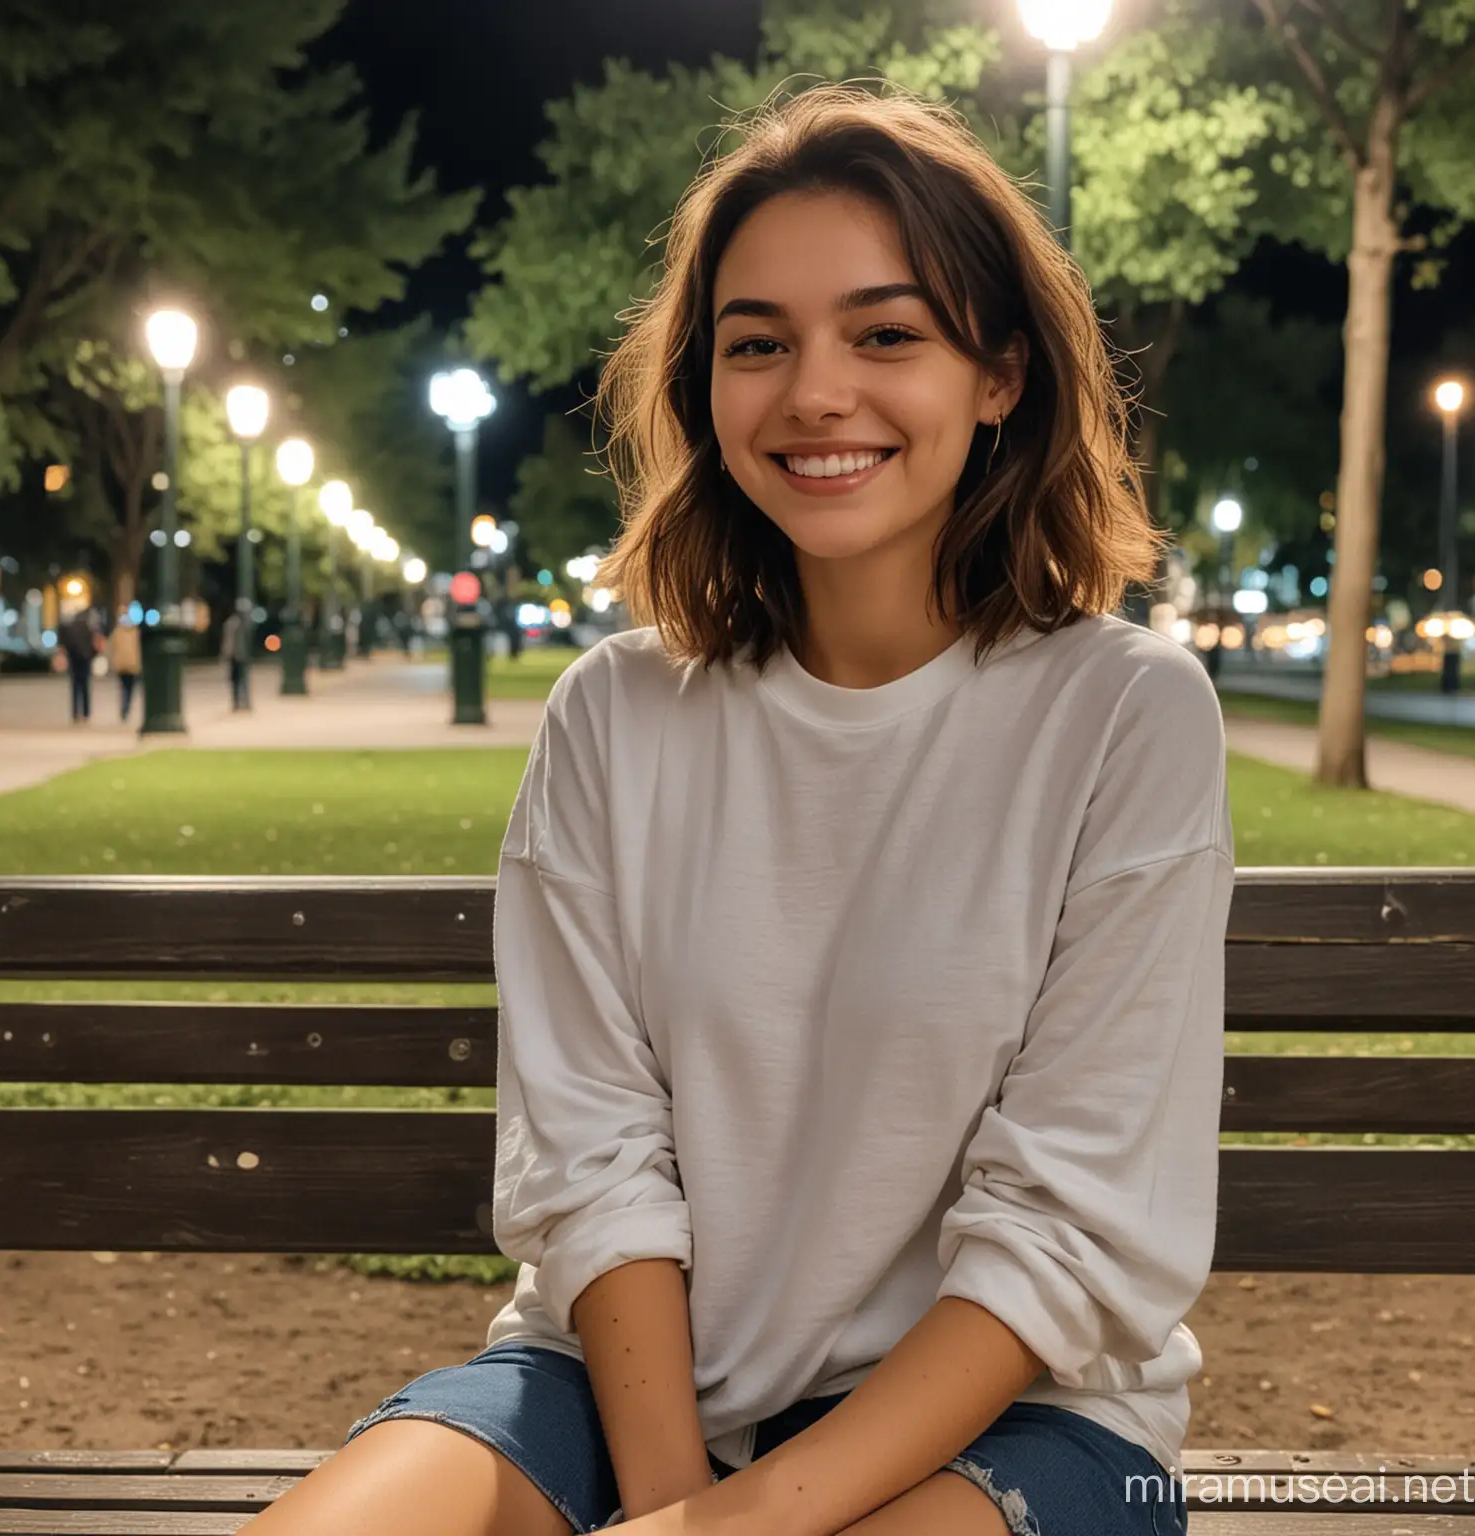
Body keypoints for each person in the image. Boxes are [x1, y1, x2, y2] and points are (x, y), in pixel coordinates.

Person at [248, 85, 1231, 1536]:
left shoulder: (1125, 717)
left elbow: (1064, 1233)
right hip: (608, 1388)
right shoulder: (614, 714)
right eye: (756, 343)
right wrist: (676, 1507)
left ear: (1002, 373)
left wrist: (739, 1528)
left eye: (887, 335)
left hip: (1015, 1415)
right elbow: (593, 1163)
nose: (814, 393)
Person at [56, 606, 96, 723]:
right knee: (85, 687)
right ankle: (86, 712)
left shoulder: (70, 628)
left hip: (74, 660)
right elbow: (92, 644)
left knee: (75, 687)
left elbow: (66, 644)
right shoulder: (86, 627)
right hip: (85, 660)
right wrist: (89, 655)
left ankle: (75, 713)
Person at [111, 613, 143, 723]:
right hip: (132, 665)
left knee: (124, 688)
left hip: (122, 665)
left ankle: (124, 709)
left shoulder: (117, 632)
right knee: (129, 689)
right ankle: (126, 708)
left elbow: (112, 648)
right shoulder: (135, 632)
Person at [221, 602, 251, 710]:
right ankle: (237, 702)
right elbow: (229, 641)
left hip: (240, 655)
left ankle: (242, 702)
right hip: (236, 656)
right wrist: (227, 654)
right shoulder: (233, 624)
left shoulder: (242, 624)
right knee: (237, 679)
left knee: (242, 679)